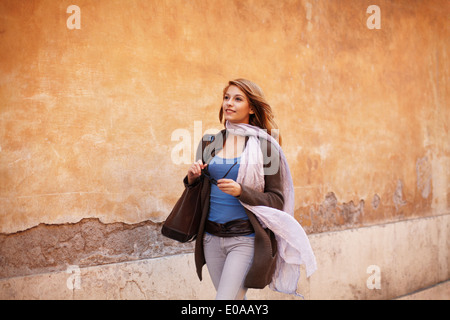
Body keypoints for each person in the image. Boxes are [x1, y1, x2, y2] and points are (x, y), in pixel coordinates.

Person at [184, 79, 316, 300]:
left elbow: (276, 199)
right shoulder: (210, 142)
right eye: (226, 97)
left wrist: (241, 191)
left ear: (252, 107)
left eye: (238, 99)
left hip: (243, 239)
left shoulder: (266, 146)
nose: (229, 103)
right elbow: (199, 188)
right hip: (210, 238)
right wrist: (192, 177)